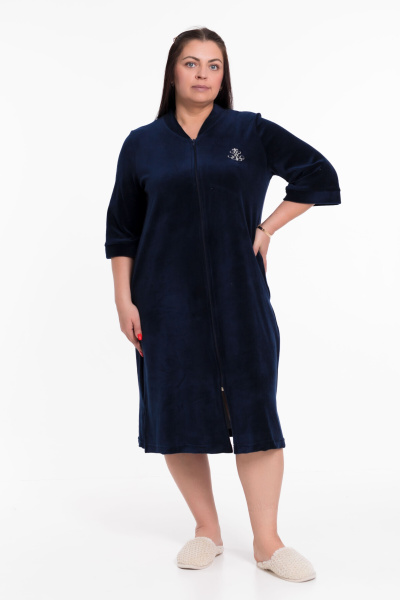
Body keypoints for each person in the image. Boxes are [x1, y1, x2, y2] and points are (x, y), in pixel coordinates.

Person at [104, 27, 341, 581]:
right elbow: (122, 230)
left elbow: (318, 174)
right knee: (177, 410)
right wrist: (123, 300)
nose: (203, 74)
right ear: (173, 71)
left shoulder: (248, 131)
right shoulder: (142, 143)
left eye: (214, 65)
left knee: (255, 408)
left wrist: (267, 227)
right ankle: (206, 530)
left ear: (224, 74)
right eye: (192, 63)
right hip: (164, 300)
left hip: (240, 295)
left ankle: (267, 543)